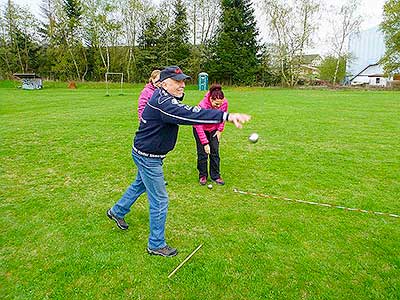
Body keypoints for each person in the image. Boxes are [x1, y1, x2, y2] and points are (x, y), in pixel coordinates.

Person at [107, 66, 250, 257]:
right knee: (160, 200)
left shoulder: (165, 98)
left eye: (183, 81)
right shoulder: (162, 102)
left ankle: (117, 211)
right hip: (148, 157)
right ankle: (156, 244)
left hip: (145, 153)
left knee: (139, 184)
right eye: (178, 82)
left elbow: (187, 111)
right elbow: (191, 114)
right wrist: (226, 116)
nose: (183, 85)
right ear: (164, 83)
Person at [193, 84, 228, 186]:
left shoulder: (224, 102)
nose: (219, 107)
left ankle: (215, 176)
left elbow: (223, 116)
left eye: (220, 104)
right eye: (216, 104)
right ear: (211, 99)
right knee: (203, 153)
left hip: (214, 129)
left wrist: (220, 130)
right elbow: (198, 125)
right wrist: (205, 143)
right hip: (201, 129)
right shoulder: (202, 106)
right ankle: (203, 175)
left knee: (215, 152)